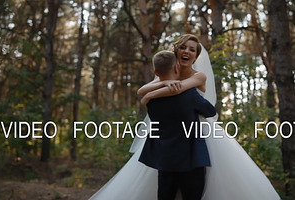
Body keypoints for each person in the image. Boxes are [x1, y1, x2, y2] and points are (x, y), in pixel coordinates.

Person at [89, 34, 281, 200]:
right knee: (165, 181)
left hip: (197, 132)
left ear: (196, 56)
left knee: (207, 180)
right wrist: (155, 89)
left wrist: (152, 95)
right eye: (183, 47)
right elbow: (142, 90)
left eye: (192, 49)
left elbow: (179, 90)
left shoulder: (199, 77)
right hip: (170, 133)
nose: (187, 51)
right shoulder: (168, 72)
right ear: (177, 51)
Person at [138, 50, 216, 200]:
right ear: (176, 68)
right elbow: (210, 111)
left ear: (155, 72)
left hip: (164, 161)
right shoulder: (190, 94)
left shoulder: (150, 99)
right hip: (191, 160)